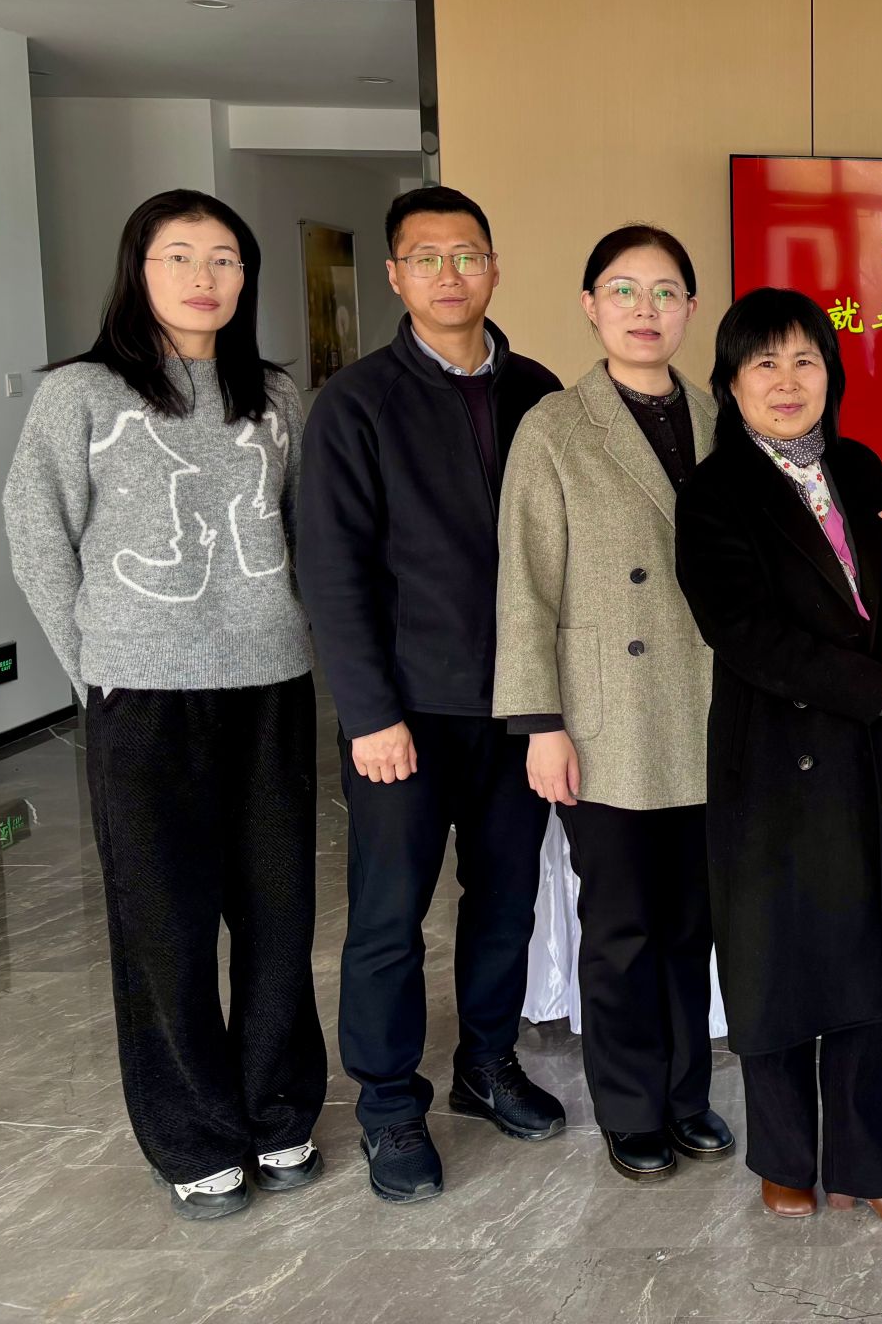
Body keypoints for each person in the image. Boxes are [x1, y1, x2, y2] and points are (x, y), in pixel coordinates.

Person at [3, 190, 327, 1219]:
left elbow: (305, 530)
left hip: (268, 689)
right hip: (143, 698)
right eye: (178, 255)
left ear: (246, 276)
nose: (203, 277)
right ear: (137, 269)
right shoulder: (82, 394)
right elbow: (35, 530)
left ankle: (278, 1110)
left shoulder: (274, 394)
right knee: (164, 927)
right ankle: (192, 1135)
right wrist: (93, 665)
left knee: (278, 915)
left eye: (224, 257)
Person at [297, 186, 565, 1202]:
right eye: (427, 258)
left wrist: (551, 705)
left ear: (494, 268)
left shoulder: (538, 392)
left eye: (467, 255)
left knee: (504, 900)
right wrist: (369, 713)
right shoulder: (356, 402)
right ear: (395, 276)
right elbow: (332, 571)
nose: (449, 275)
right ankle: (387, 1103)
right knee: (387, 915)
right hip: (404, 715)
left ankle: (485, 1065)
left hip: (518, 707)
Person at [674, 288, 882, 1231]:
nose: (787, 380)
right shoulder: (714, 492)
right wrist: (874, 688)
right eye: (764, 363)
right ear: (730, 382)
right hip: (777, 762)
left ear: (830, 374)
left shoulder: (861, 467)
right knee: (780, 964)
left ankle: (874, 1169)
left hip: (874, 759)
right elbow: (743, 633)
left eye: (805, 360)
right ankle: (786, 1158)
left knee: (869, 972)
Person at [492, 223, 731, 1182]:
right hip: (606, 717)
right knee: (623, 927)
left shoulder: (721, 417)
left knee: (691, 925)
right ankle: (632, 1109)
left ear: (691, 309)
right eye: (623, 290)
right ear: (590, 306)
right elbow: (524, 588)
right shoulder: (555, 426)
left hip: (707, 710)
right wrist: (539, 724)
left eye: (665, 292)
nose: (645, 310)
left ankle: (687, 1096)